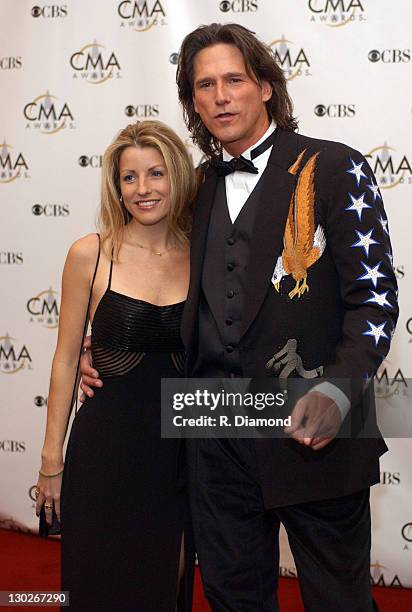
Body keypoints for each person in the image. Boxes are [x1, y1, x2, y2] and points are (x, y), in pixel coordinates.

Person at [81, 23, 398, 612]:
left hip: (316, 423)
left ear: (267, 87)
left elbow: (375, 302)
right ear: (192, 100)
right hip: (215, 427)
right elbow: (163, 289)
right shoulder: (195, 189)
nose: (221, 96)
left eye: (234, 79)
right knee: (233, 596)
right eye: (205, 85)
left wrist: (339, 388)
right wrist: (104, 349)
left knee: (338, 599)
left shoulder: (335, 168)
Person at [35, 120, 197, 611]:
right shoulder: (92, 254)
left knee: (163, 589)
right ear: (116, 186)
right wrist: (50, 461)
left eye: (156, 173)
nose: (143, 189)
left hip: (181, 454)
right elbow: (66, 359)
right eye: (130, 177)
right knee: (95, 586)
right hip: (106, 450)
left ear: (178, 177)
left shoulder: (205, 255)